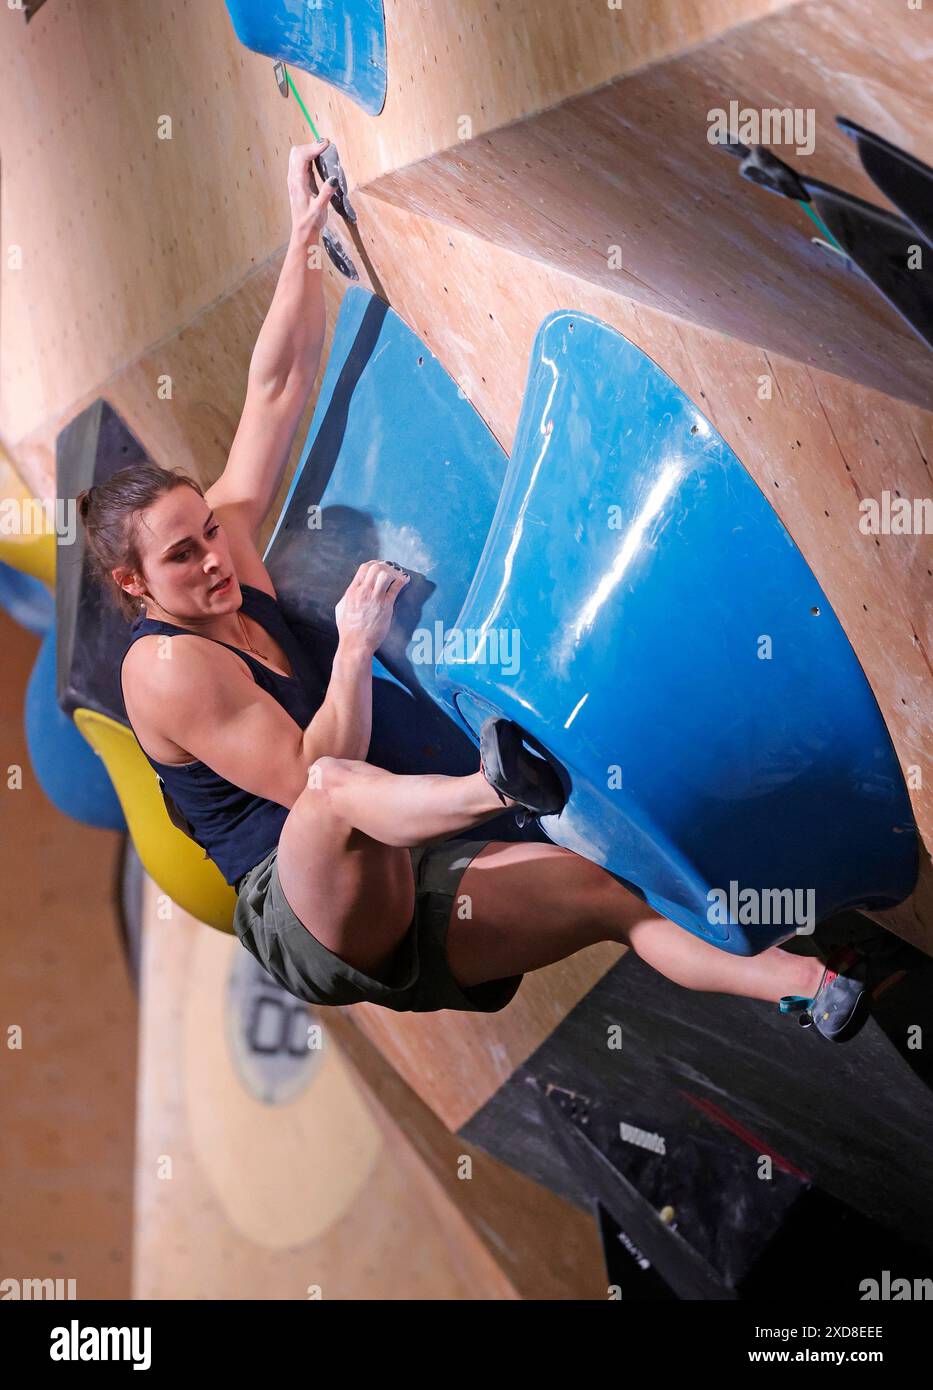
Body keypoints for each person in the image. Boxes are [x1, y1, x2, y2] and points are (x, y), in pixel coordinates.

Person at [78, 142, 871, 1034]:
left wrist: (300, 237)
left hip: (402, 847)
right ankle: (501, 788)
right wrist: (351, 647)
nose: (215, 558)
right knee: (336, 787)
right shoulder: (163, 669)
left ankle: (813, 986)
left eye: (210, 530)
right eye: (182, 558)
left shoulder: (224, 550)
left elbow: (277, 388)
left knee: (608, 895)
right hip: (309, 909)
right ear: (134, 583)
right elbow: (309, 780)